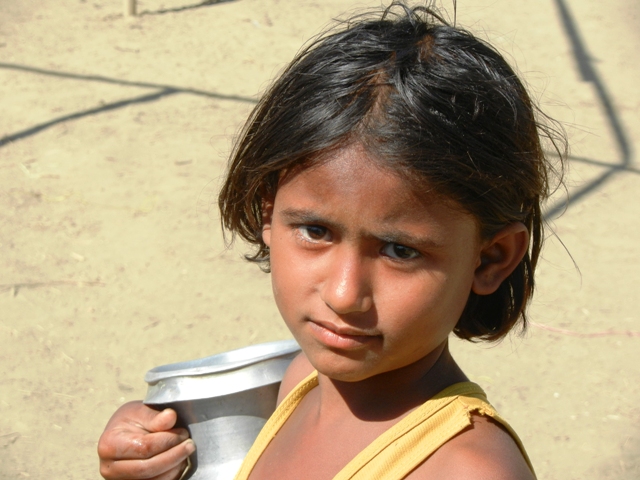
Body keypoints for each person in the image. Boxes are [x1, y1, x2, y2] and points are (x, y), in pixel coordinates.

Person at [98, 2, 566, 479]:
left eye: (400, 251)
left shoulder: (466, 470)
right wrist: (157, 460)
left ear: (491, 259)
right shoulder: (301, 381)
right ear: (268, 212)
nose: (343, 295)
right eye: (316, 231)